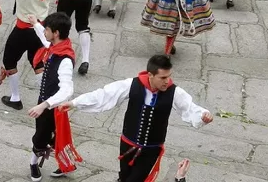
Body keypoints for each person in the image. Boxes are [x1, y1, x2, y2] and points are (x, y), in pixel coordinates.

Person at [59, 55, 214, 182]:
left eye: (169, 76)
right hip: (127, 145)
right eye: (163, 77)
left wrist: (203, 116)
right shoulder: (131, 84)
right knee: (124, 177)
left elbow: (189, 107)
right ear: (151, 75)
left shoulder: (175, 92)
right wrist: (75, 103)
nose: (167, 81)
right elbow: (104, 95)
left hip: (151, 149)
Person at [20, 13, 79, 181]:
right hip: (46, 103)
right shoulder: (56, 46)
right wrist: (36, 24)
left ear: (57, 33)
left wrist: (44, 105)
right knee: (47, 134)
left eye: (47, 29)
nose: (44, 32)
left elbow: (67, 90)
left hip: (53, 106)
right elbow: (45, 40)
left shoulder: (65, 59)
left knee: (46, 136)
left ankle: (35, 163)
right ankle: (62, 164)